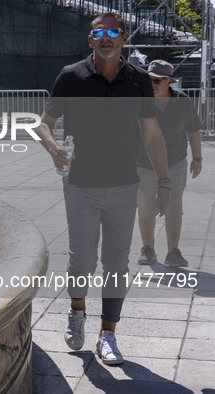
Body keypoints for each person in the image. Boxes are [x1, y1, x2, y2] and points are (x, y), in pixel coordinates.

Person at [35, 12, 170, 365]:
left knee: (116, 262)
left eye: (113, 32)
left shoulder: (138, 79)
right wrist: (53, 149)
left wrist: (164, 181)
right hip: (80, 184)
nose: (106, 37)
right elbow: (43, 124)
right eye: (99, 33)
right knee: (81, 261)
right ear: (90, 40)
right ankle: (77, 312)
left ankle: (107, 334)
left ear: (124, 38)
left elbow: (152, 135)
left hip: (125, 185)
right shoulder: (71, 76)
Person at [137, 60, 203, 267]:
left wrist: (197, 158)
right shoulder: (140, 102)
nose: (153, 84)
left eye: (158, 80)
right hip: (144, 165)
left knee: (174, 207)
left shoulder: (182, 102)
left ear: (170, 82)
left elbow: (193, 130)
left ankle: (173, 251)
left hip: (175, 163)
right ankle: (148, 249)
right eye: (149, 80)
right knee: (146, 208)